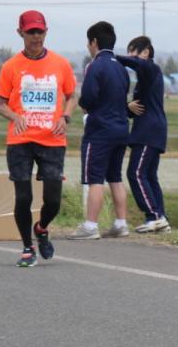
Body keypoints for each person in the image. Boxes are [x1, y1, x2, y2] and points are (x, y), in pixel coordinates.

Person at [0, 10, 78, 267]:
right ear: (20, 33)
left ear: (46, 32)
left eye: (39, 31)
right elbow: (0, 102)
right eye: (30, 32)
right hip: (20, 140)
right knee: (23, 198)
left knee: (53, 200)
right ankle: (27, 248)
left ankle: (41, 228)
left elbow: (73, 96)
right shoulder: (11, 66)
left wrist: (65, 117)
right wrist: (13, 116)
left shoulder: (60, 64)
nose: (35, 36)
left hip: (52, 140)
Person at [70, 21, 131, 240]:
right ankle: (121, 223)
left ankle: (90, 226)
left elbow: (87, 98)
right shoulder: (121, 68)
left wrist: (84, 105)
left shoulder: (94, 66)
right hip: (121, 127)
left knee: (95, 178)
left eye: (89, 42)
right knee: (115, 176)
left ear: (94, 42)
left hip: (100, 130)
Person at [116, 35, 170, 233]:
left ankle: (153, 215)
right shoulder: (145, 77)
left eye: (134, 53)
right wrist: (128, 107)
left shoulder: (150, 68)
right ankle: (161, 218)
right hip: (153, 131)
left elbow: (134, 62)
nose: (131, 57)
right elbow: (137, 108)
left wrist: (110, 57)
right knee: (149, 175)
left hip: (148, 132)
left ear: (146, 52)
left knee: (135, 173)